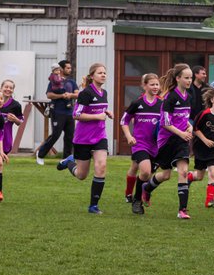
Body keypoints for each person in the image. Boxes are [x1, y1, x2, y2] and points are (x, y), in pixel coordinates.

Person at [56, 62, 112, 214]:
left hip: (100, 136)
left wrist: (106, 113)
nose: (103, 75)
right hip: (83, 139)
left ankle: (93, 206)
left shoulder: (104, 93)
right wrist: (98, 116)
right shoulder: (85, 93)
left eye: (105, 73)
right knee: (81, 175)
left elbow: (99, 109)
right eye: (100, 73)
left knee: (101, 166)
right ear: (92, 75)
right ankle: (69, 161)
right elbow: (76, 115)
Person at [143, 64, 196, 219]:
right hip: (167, 139)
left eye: (191, 77)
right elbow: (166, 122)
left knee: (183, 172)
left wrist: (190, 127)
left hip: (181, 140)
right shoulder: (170, 97)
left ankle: (182, 210)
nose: (189, 80)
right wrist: (181, 133)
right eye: (186, 77)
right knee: (165, 175)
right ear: (178, 78)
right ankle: (147, 188)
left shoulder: (189, 97)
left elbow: (183, 119)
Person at [121, 73, 162, 215]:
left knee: (148, 175)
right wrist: (129, 136)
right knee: (144, 171)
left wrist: (187, 126)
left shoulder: (162, 105)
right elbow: (124, 121)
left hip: (156, 146)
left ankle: (145, 191)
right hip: (140, 144)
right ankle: (136, 201)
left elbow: (171, 121)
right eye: (152, 84)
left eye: (157, 84)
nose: (155, 87)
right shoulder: (137, 103)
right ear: (144, 86)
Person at [36, 62, 78, 165]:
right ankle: (40, 154)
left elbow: (77, 94)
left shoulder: (72, 82)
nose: (70, 70)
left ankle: (67, 159)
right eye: (68, 68)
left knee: (70, 136)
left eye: (70, 68)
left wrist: (70, 95)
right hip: (57, 112)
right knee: (56, 135)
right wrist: (62, 96)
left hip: (69, 113)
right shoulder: (53, 81)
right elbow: (49, 95)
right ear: (61, 69)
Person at [0, 80, 23, 203]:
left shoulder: (15, 105)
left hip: (5, 140)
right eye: (6, 87)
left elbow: (20, 122)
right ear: (1, 87)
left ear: (13, 90)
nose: (8, 89)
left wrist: (15, 119)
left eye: (11, 88)